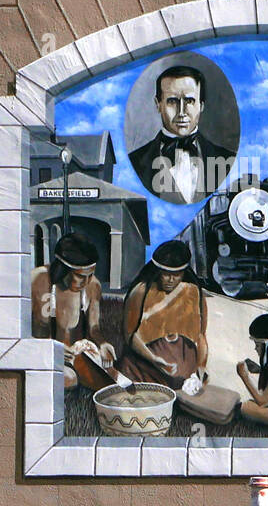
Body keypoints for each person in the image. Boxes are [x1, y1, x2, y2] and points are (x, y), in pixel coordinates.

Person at [129, 64, 237, 205]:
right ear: (158, 104)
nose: (181, 112)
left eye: (189, 101)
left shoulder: (228, 160)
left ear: (201, 105)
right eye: (172, 101)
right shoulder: (135, 162)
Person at [116, 240, 209, 392]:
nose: (171, 280)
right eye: (166, 274)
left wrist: (200, 369)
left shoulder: (194, 293)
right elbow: (130, 336)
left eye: (176, 275)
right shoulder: (140, 292)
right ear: (157, 270)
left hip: (184, 370)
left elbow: (201, 337)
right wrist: (155, 360)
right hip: (145, 365)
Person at [30, 232, 114, 389]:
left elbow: (94, 328)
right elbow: (30, 331)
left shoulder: (93, 285)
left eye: (91, 275)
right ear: (63, 270)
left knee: (110, 380)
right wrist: (54, 350)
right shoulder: (39, 280)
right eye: (81, 276)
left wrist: (102, 344)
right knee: (70, 379)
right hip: (42, 354)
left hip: (78, 357)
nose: (87, 281)